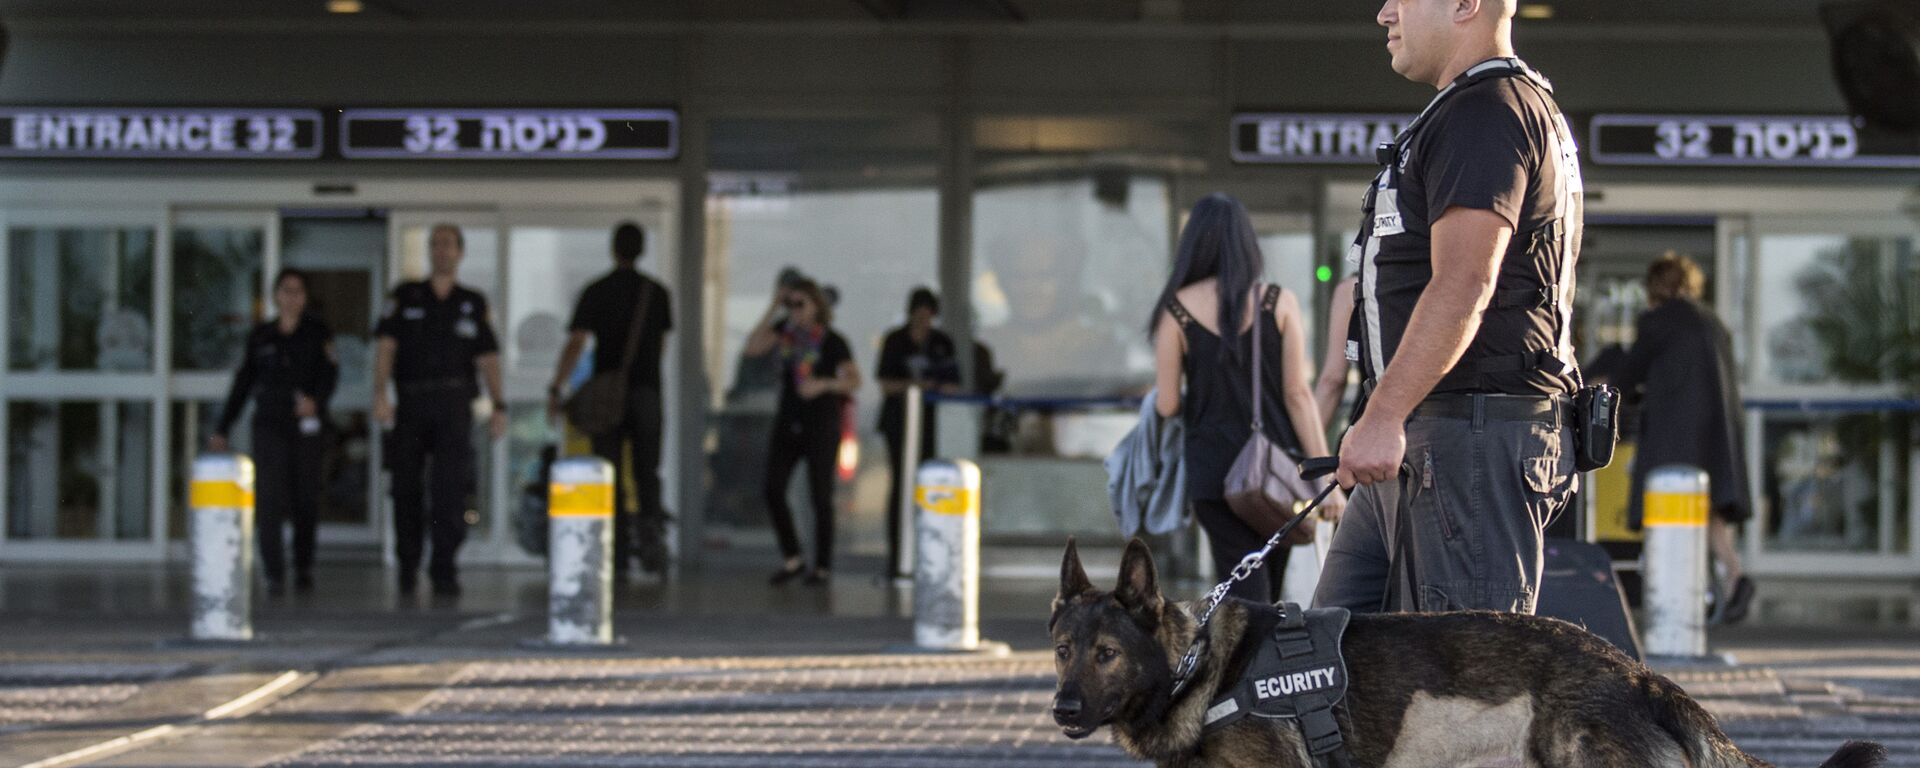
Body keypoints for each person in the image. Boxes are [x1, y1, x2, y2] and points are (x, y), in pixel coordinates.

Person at [1315, 0, 1584, 614]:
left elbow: (1465, 282)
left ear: (1466, 4)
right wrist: (1385, 419)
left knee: (1468, 692)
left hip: (1466, 441)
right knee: (1329, 668)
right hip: (1433, 436)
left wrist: (1382, 417)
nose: (1384, 14)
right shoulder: (1480, 109)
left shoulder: (1487, 112)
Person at [1151, 194, 1343, 603]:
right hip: (1273, 475)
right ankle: (1262, 665)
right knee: (1267, 592)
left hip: (1213, 474)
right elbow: (1298, 395)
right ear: (1246, 244)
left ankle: (1246, 664)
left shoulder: (1175, 312)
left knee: (1242, 592)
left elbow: (1167, 404)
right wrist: (1327, 479)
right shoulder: (1279, 302)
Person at [1613, 253, 1755, 623]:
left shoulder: (1660, 321)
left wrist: (1605, 385)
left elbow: (1630, 373)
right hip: (1716, 433)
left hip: (1677, 434)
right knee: (1708, 511)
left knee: (1670, 509)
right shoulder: (1712, 322)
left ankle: (1680, 595)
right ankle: (1732, 577)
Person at [373, 224, 508, 598]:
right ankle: (407, 564)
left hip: (454, 404)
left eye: (448, 244)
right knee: (406, 487)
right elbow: (386, 347)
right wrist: (379, 392)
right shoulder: (405, 295)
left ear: (460, 252)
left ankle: (444, 566)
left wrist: (499, 404)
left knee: (449, 490)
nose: (440, 251)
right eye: (435, 244)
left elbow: (488, 357)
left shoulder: (472, 302)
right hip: (413, 401)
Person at [547, 222, 674, 579]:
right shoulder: (657, 293)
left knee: (610, 471)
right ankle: (651, 541)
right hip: (647, 391)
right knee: (647, 470)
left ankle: (616, 553)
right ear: (642, 250)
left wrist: (558, 386)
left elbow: (576, 343)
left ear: (613, 249)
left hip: (608, 396)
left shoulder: (597, 291)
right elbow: (661, 345)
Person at [210, 268, 338, 597]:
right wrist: (223, 426)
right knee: (269, 497)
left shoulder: (317, 333)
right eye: (286, 290)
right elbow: (243, 383)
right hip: (270, 423)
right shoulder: (262, 336)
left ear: (305, 297)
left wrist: (316, 402)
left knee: (305, 497)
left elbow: (330, 375)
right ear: (276, 295)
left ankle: (304, 566)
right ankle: (274, 571)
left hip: (304, 426)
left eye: (298, 290)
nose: (291, 296)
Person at [743, 278, 860, 586]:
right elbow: (752, 347)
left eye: (800, 304)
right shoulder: (785, 335)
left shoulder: (832, 341)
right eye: (790, 304)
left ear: (815, 306)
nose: (794, 311)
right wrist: (773, 306)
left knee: (821, 496)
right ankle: (792, 557)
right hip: (788, 422)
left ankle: (822, 566)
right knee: (773, 488)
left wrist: (824, 384)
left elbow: (854, 380)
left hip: (821, 424)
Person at [875, 287, 962, 579]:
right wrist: (915, 387)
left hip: (932, 426)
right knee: (901, 486)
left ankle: (931, 557)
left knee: (934, 488)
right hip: (899, 422)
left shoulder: (941, 342)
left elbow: (953, 384)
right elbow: (885, 382)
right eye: (919, 312)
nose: (923, 318)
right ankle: (898, 556)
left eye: (929, 313)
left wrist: (931, 388)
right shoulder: (895, 341)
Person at [1314, 275, 1360, 430]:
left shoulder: (1350, 290)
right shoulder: (1431, 281)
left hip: (1368, 425)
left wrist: (1310, 445)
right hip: (1431, 423)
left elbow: (1333, 380)